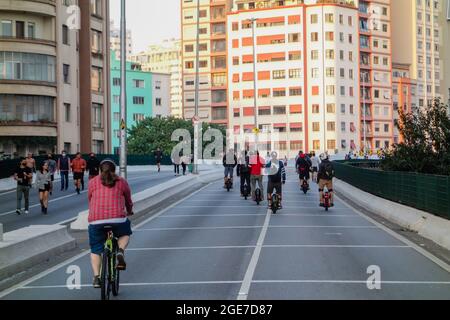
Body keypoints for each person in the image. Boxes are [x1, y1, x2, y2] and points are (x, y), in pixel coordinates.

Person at [88, 159, 134, 288]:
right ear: (114, 170)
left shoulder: (92, 182)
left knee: (96, 249)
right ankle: (120, 251)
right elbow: (128, 200)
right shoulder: (121, 181)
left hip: (96, 220)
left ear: (99, 170)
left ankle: (97, 278)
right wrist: (129, 211)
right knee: (125, 233)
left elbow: (90, 199)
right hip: (117, 219)